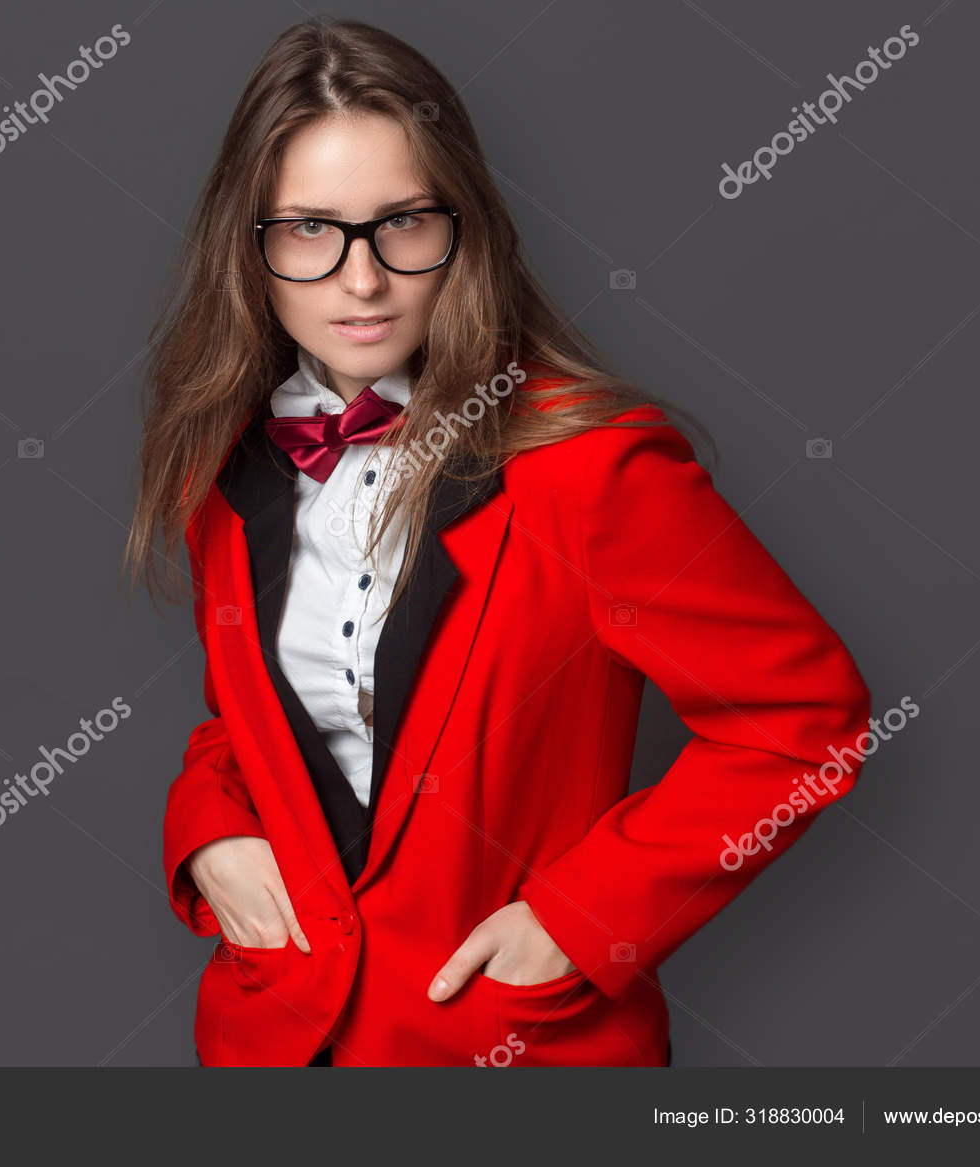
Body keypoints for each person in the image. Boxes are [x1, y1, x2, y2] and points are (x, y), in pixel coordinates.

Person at [126, 19, 871, 1067]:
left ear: (463, 228)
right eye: (308, 230)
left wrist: (581, 919)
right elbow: (251, 722)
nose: (361, 281)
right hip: (272, 1039)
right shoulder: (228, 464)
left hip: (504, 1048)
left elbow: (802, 721)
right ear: (244, 246)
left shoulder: (588, 463)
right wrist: (207, 831)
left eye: (402, 225)